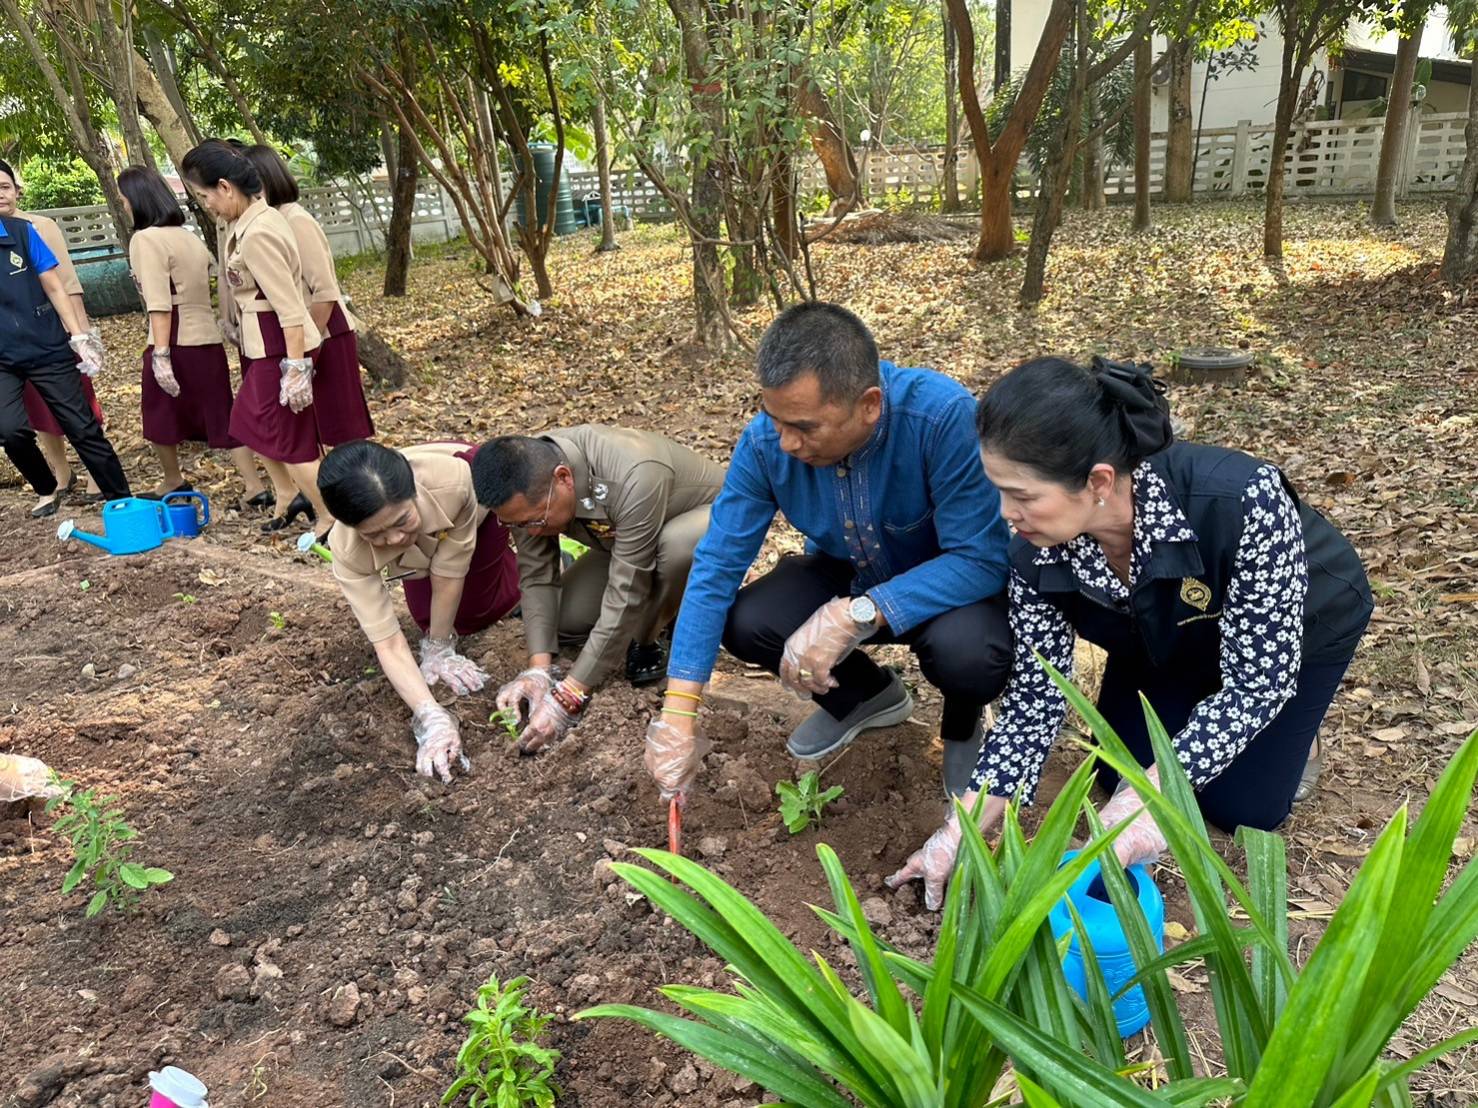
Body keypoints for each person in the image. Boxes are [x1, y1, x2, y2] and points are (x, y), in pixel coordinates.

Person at [887, 356, 1373, 910]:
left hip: (1299, 631)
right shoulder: (1032, 553)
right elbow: (1034, 703)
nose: (1007, 514)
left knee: (1244, 808)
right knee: (1111, 773)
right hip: (1162, 635)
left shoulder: (1238, 500)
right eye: (998, 490)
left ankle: (1300, 735)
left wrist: (1156, 791)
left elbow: (1257, 682)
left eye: (1022, 495)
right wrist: (961, 830)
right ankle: (1180, 697)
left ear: (1097, 481)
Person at [644, 302, 1013, 806]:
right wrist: (678, 716)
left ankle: (962, 727)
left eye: (807, 427)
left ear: (869, 404)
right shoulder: (765, 444)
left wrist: (862, 611)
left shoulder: (941, 418)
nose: (788, 442)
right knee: (748, 621)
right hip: (847, 569)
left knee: (971, 655)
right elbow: (716, 567)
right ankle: (866, 697)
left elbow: (981, 559)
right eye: (775, 419)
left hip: (943, 585)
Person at [471, 426, 725, 753]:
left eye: (535, 521)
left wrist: (570, 694)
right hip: (625, 545)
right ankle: (658, 610)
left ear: (564, 478)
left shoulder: (634, 474)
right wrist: (539, 669)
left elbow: (626, 592)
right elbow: (535, 575)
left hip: (704, 522)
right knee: (563, 620)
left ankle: (649, 639)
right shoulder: (525, 489)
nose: (530, 532)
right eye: (517, 525)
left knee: (674, 550)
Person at [319, 440, 521, 782]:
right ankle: (495, 570)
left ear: (412, 493)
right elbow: (388, 643)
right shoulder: (349, 552)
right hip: (430, 524)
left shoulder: (456, 482)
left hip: (475, 503)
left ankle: (523, 579)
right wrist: (431, 715)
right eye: (375, 534)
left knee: (474, 614)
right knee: (425, 617)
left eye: (401, 521)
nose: (395, 538)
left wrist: (440, 647)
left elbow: (448, 574)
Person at [180, 140, 334, 536]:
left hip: (280, 345)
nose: (206, 205)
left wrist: (296, 367)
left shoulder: (258, 232)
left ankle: (330, 517)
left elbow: (289, 307)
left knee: (291, 439)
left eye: (204, 196)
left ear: (225, 188)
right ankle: (286, 493)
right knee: (249, 423)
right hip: (264, 343)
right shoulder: (246, 223)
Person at [117, 166, 270, 505]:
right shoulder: (189, 237)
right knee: (222, 414)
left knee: (158, 415)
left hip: (173, 339)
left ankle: (173, 479)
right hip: (207, 340)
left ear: (138, 200)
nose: (124, 205)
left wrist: (160, 354)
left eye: (124, 200)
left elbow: (159, 303)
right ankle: (254, 485)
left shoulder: (145, 239)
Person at [0, 160, 131, 509]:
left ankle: (121, 498)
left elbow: (57, 287)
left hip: (46, 348)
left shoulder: (24, 232)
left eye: (4, 186)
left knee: (81, 426)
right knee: (10, 430)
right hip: (3, 360)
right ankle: (46, 488)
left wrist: (79, 337)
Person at [241, 145, 374, 448]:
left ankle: (365, 490)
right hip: (307, 336)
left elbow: (324, 291)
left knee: (341, 428)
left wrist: (306, 351)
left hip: (326, 331)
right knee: (315, 428)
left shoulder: (294, 219)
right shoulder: (271, 220)